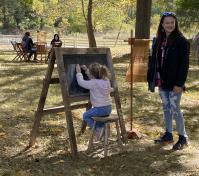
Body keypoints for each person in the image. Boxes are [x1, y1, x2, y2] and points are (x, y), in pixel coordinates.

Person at [147, 12, 190, 150]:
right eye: (167, 22)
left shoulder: (181, 41)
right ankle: (168, 134)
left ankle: (183, 137)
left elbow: (184, 65)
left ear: (175, 23)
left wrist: (180, 84)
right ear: (162, 24)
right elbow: (155, 61)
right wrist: (152, 79)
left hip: (175, 83)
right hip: (162, 81)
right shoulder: (159, 39)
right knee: (166, 108)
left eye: (172, 22)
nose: (170, 25)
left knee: (175, 108)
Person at [76, 63, 113, 139]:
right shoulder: (106, 80)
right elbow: (94, 78)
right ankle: (103, 130)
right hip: (108, 108)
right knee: (99, 119)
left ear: (92, 75)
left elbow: (81, 82)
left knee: (85, 115)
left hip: (100, 109)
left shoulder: (93, 83)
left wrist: (79, 72)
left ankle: (97, 130)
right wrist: (86, 70)